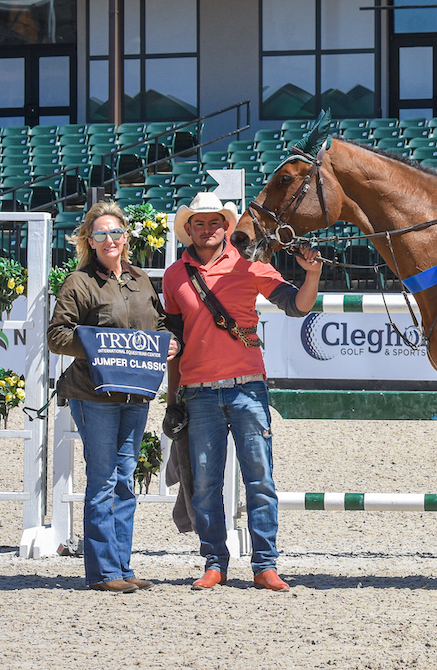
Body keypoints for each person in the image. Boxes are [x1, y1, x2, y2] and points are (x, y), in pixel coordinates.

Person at [162, 191, 321, 592]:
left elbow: (296, 305)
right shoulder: (173, 275)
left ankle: (264, 564)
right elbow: (173, 341)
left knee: (260, 480)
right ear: (189, 230)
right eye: (199, 222)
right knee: (205, 483)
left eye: (214, 221)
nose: (207, 228)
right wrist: (172, 399)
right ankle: (215, 562)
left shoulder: (250, 264)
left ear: (226, 226)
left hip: (247, 388)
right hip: (198, 393)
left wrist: (313, 275)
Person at [47, 200, 180, 593]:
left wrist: (169, 343)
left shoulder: (140, 279)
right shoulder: (79, 282)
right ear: (90, 239)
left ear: (126, 236)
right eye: (101, 233)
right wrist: (101, 347)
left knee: (125, 481)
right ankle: (104, 572)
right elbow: (57, 336)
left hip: (135, 396)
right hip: (93, 394)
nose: (110, 239)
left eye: (116, 232)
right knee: (103, 480)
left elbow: (158, 325)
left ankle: (121, 566)